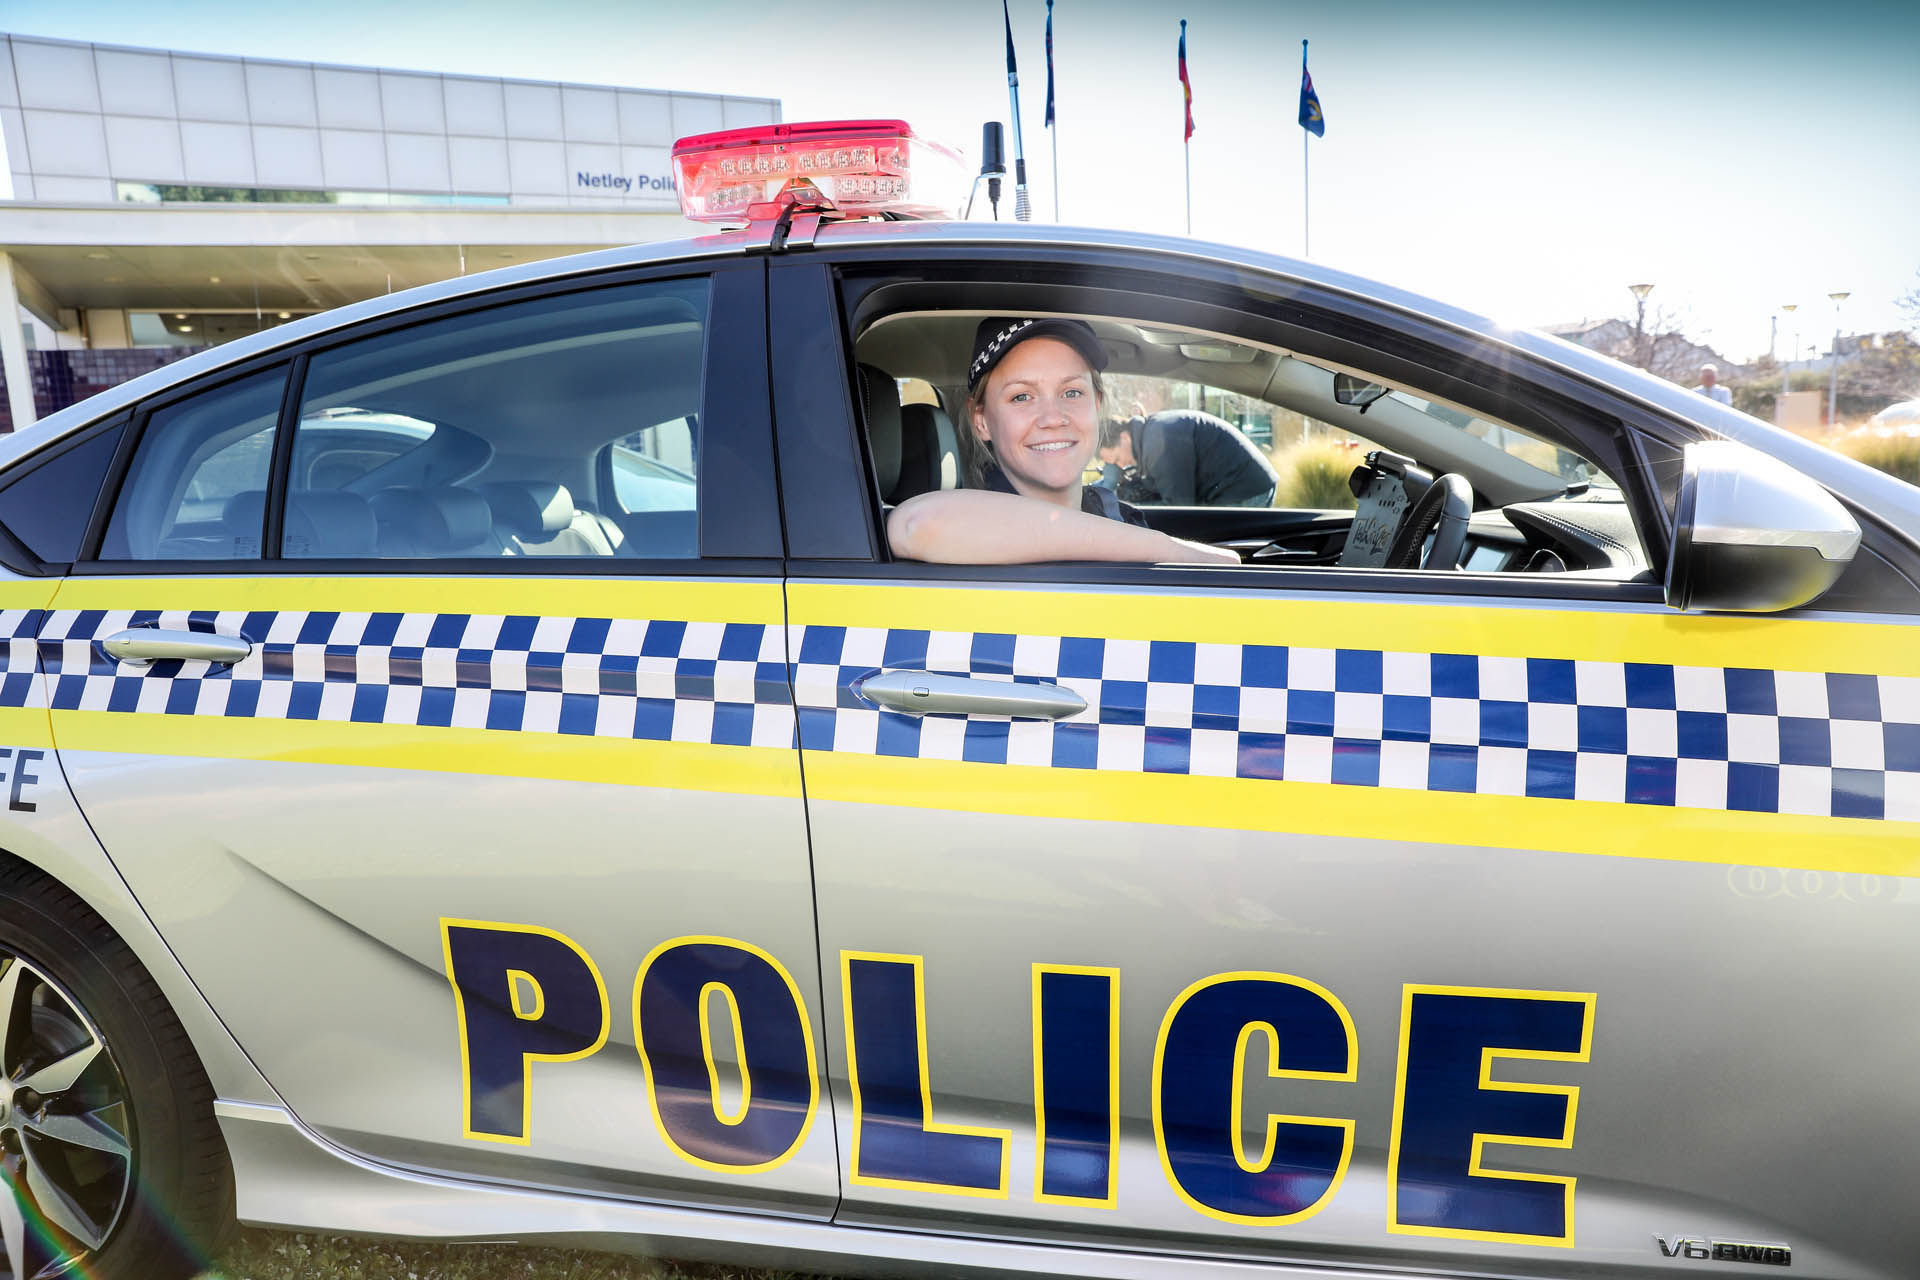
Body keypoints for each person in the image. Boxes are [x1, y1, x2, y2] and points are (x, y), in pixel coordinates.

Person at [886, 318, 1239, 565]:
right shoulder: (969, 525)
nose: (1054, 417)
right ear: (982, 421)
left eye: (1072, 392)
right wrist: (1186, 557)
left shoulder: (1116, 513)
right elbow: (916, 527)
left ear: (1097, 405)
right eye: (1021, 397)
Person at [1096, 406, 1280, 507]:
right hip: (1245, 482)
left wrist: (1131, 508)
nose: (1121, 465)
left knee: (1219, 555)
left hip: (1243, 488)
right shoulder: (1151, 432)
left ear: (1124, 438)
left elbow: (1180, 508)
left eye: (1117, 458)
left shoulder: (1158, 443)